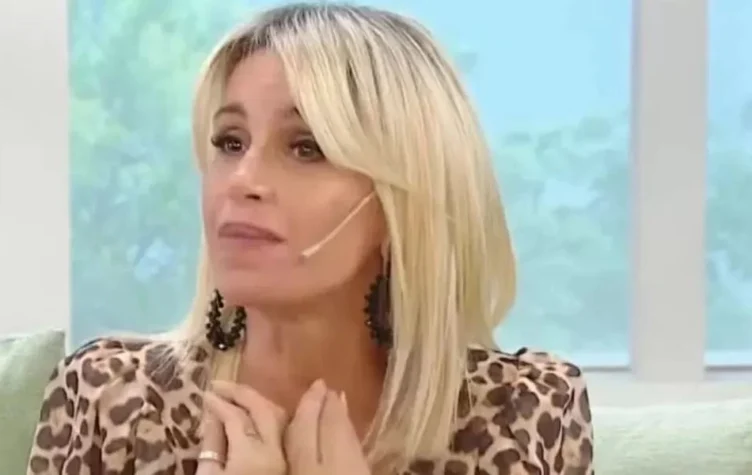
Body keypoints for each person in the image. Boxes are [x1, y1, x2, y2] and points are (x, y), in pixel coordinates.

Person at [26, 3, 594, 475]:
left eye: (306, 148)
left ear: (403, 207)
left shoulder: (522, 416)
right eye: (230, 142)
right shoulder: (112, 401)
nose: (242, 179)